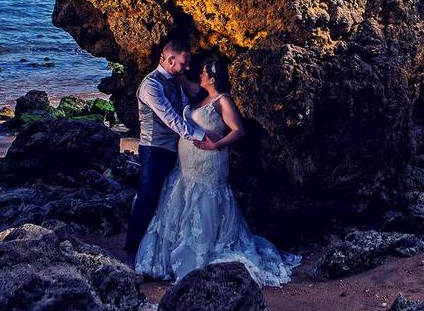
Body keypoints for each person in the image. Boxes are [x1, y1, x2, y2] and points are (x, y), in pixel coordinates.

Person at [134, 56, 302, 286]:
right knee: (182, 205)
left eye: (203, 72)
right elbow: (186, 85)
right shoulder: (203, 97)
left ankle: (200, 256)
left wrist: (215, 144)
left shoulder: (223, 100)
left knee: (205, 206)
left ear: (212, 78)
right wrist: (176, 69)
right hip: (187, 166)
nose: (199, 75)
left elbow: (238, 130)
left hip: (209, 163)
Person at [124, 38, 212, 253]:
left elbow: (188, 106)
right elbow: (171, 118)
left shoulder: (176, 79)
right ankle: (130, 250)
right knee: (147, 197)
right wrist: (201, 136)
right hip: (154, 149)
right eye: (184, 63)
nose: (188, 67)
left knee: (168, 199)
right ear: (170, 59)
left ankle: (159, 248)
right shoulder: (150, 85)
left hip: (176, 150)